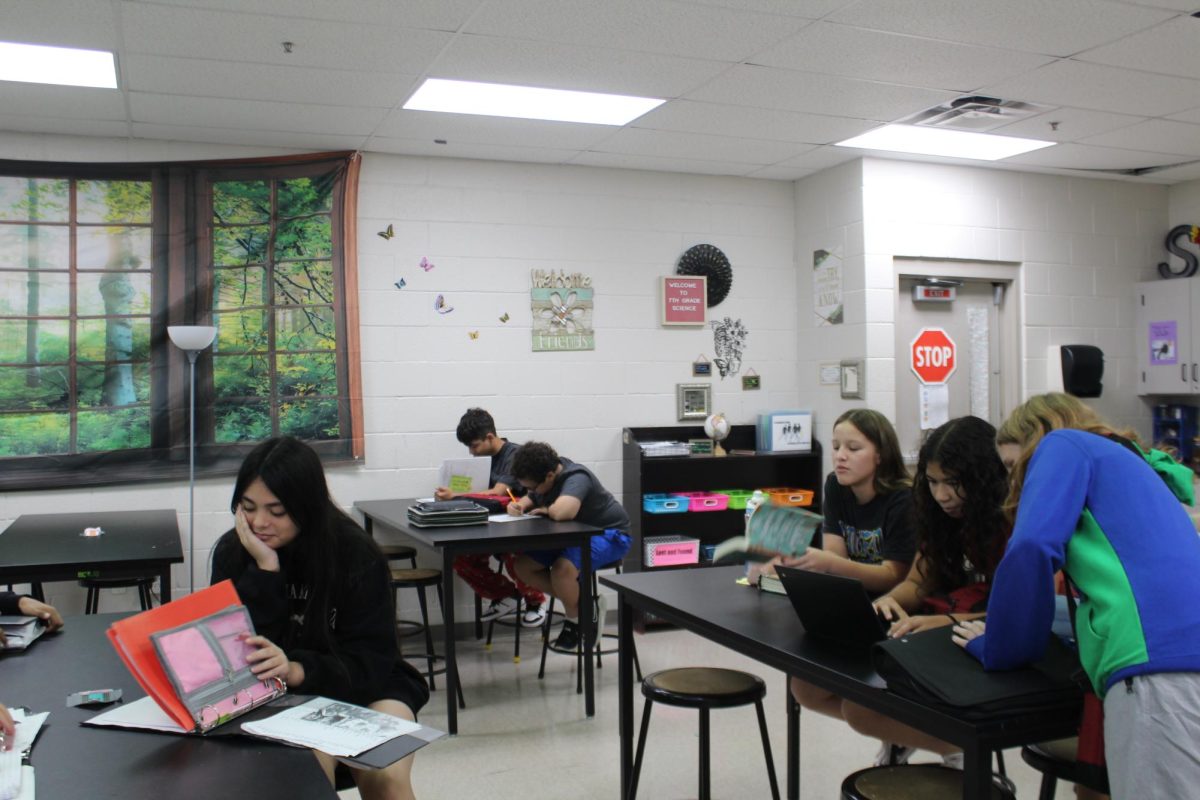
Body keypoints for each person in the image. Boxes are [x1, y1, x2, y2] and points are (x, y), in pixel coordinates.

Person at [954, 393, 1200, 800]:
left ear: (1034, 438)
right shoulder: (1130, 465)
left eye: (1015, 467)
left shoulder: (1061, 444)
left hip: (1157, 666)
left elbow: (1031, 546)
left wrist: (999, 645)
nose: (1016, 482)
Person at [210, 437, 430, 800]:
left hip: (366, 683)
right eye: (248, 508)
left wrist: (297, 668)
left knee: (385, 776)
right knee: (306, 773)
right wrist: (265, 570)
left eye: (276, 511)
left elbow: (372, 659)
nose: (260, 522)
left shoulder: (354, 553)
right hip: (279, 697)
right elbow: (235, 655)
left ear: (306, 507)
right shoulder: (236, 554)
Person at [840, 416, 1009, 768]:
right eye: (932, 482)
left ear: (983, 479)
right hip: (943, 628)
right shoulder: (937, 514)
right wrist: (889, 601)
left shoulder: (1012, 522)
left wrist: (946, 622)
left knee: (861, 709)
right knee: (815, 689)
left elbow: (1022, 616)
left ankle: (959, 750)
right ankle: (927, 740)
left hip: (988, 644)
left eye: (953, 482)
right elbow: (918, 583)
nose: (942, 495)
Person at [781, 408, 915, 721]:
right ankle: (896, 732)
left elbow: (894, 576)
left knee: (863, 700)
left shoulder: (903, 500)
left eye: (853, 449)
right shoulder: (835, 486)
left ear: (881, 455)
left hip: (896, 613)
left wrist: (827, 563)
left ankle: (919, 733)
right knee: (805, 689)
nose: (840, 456)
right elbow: (835, 557)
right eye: (836, 446)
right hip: (854, 606)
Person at [509, 441, 631, 651]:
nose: (530, 491)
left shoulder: (576, 478)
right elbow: (532, 496)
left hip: (610, 534)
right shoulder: (547, 475)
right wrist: (520, 504)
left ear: (548, 476)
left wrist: (547, 509)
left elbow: (565, 512)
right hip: (574, 536)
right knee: (522, 566)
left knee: (561, 571)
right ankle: (585, 604)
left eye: (532, 486)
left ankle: (574, 621)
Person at [434, 409, 547, 627]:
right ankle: (506, 595)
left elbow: (499, 492)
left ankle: (535, 601)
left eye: (474, 445)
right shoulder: (482, 458)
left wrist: (455, 495)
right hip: (488, 523)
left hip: (518, 525)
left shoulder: (514, 455)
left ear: (489, 437)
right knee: (462, 558)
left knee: (513, 554)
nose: (472, 452)